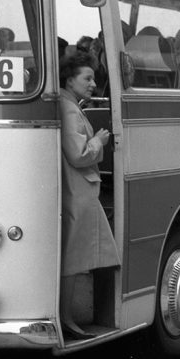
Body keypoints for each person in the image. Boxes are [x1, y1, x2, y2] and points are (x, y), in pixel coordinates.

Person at [59, 52, 120, 341]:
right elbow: (78, 153)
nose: (93, 83)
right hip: (79, 190)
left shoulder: (68, 104)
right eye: (87, 78)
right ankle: (67, 316)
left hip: (77, 189)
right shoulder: (69, 108)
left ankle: (68, 315)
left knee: (76, 255)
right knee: (75, 257)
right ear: (70, 79)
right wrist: (99, 141)